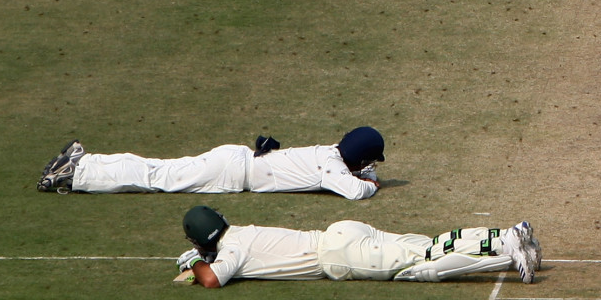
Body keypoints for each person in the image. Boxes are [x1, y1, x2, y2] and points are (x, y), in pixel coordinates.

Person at [175, 206, 542, 287]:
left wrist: (194, 265)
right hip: (342, 232)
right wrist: (205, 256)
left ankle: (507, 250)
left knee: (417, 268)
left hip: (339, 256)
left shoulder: (233, 252)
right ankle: (504, 236)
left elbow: (211, 279)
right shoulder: (242, 232)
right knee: (428, 246)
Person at [37, 127, 386, 199]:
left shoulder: (328, 152)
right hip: (231, 172)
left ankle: (85, 162)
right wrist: (370, 184)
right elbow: (353, 191)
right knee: (156, 176)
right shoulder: (332, 168)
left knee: (158, 168)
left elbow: (349, 168)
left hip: (233, 160)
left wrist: (364, 170)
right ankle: (76, 175)